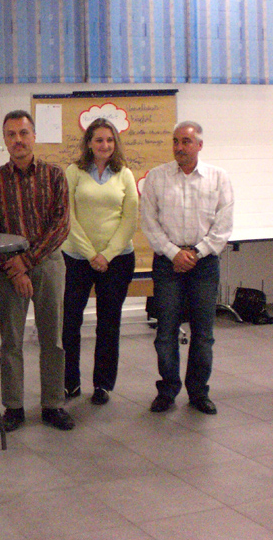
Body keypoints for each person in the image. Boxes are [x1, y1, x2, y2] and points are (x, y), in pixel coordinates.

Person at [0, 110, 74, 432]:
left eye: (23, 133)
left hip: (47, 265)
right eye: (11, 134)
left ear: (34, 136)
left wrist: (28, 261)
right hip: (8, 269)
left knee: (53, 339)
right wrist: (16, 271)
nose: (17, 140)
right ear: (5, 139)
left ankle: (53, 404)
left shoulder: (55, 175)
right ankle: (14, 407)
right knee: (11, 341)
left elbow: (60, 225)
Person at [140, 121, 233, 415]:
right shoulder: (157, 177)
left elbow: (223, 225)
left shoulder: (218, 178)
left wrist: (196, 252)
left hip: (204, 263)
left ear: (199, 145)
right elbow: (149, 222)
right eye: (176, 141)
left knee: (203, 333)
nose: (179, 147)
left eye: (186, 141)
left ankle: (198, 392)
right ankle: (167, 390)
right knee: (166, 332)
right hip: (167, 264)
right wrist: (174, 253)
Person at [61, 118, 138, 405]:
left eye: (109, 140)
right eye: (99, 140)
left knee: (109, 323)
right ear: (89, 143)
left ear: (115, 143)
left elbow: (130, 220)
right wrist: (91, 254)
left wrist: (106, 255)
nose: (105, 145)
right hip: (77, 258)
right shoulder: (74, 172)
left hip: (117, 260)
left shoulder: (125, 174)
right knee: (70, 322)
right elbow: (67, 216)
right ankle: (69, 383)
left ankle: (103, 384)